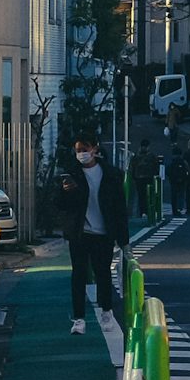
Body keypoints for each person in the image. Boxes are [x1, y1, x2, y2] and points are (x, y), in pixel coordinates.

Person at [55, 136, 127, 335]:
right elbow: (60, 204)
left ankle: (106, 311)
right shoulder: (72, 174)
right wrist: (65, 192)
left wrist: (123, 239)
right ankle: (79, 319)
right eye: (78, 150)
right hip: (80, 232)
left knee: (103, 272)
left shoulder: (111, 174)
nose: (81, 154)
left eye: (85, 149)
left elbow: (120, 207)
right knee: (78, 274)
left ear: (94, 149)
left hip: (104, 232)